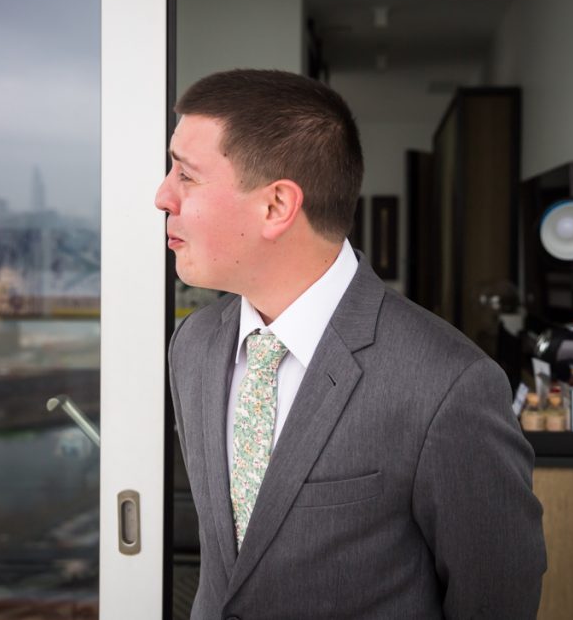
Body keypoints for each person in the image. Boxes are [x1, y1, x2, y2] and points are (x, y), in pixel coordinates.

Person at [156, 69, 546, 619]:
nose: (161, 196)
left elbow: (496, 597)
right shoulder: (192, 345)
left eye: (186, 175)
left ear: (276, 207)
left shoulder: (447, 385)